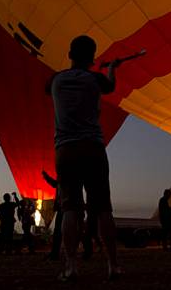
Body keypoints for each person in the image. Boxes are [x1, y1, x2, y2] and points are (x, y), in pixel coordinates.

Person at [48, 35, 124, 282]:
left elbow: (47, 87)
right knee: (103, 208)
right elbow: (110, 86)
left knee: (70, 208)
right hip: (93, 147)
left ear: (70, 55)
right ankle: (113, 265)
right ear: (92, 58)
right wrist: (111, 68)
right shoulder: (95, 79)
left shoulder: (56, 80)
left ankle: (71, 267)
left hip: (65, 150)